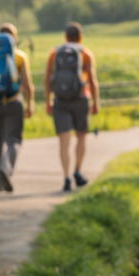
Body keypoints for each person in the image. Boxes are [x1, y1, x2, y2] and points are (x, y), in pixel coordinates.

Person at [0, 23, 35, 192]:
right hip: (13, 102)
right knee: (14, 140)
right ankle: (6, 168)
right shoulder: (19, 56)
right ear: (14, 38)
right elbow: (26, 83)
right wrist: (30, 103)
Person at [45, 22, 101, 191]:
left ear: (65, 36)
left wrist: (48, 100)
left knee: (64, 141)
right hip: (81, 98)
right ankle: (78, 170)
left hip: (60, 100)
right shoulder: (85, 53)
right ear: (80, 36)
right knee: (81, 137)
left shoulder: (55, 53)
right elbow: (92, 79)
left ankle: (66, 177)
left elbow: (48, 78)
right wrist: (96, 101)